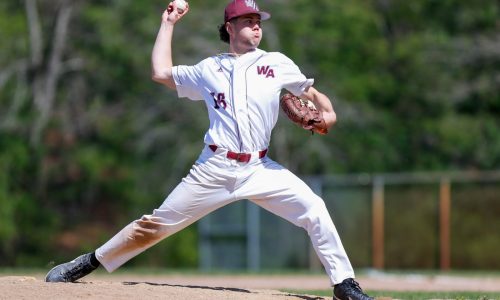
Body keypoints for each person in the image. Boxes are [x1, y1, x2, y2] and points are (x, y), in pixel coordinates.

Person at [45, 1, 373, 299]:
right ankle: (89, 261)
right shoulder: (208, 69)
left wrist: (328, 114)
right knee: (156, 225)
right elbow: (160, 73)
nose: (256, 25)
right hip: (215, 168)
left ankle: (343, 284)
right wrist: (168, 23)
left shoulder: (277, 63)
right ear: (229, 28)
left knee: (314, 208)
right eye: (248, 20)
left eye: (258, 20)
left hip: (261, 169)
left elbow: (315, 95)